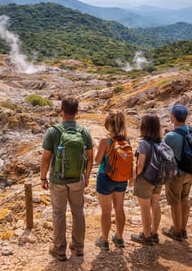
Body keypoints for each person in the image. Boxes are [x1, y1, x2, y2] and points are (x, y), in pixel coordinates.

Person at [40, 96, 93, 261]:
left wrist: (43, 177)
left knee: (58, 213)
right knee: (78, 212)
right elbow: (90, 157)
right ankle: (78, 248)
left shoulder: (53, 131)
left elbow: (46, 158)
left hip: (58, 180)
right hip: (78, 178)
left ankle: (59, 249)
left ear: (61, 111)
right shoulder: (84, 131)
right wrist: (87, 177)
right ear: (77, 112)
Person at [94, 111, 133, 251]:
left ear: (108, 124)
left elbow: (97, 160)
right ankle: (120, 238)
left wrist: (97, 147)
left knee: (106, 211)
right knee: (119, 208)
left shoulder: (105, 140)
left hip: (105, 177)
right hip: (121, 178)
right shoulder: (126, 140)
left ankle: (104, 241)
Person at [130, 114, 163, 245]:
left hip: (145, 179)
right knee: (155, 205)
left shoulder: (143, 143)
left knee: (144, 208)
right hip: (158, 178)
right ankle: (154, 233)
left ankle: (146, 236)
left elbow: (140, 165)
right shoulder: (161, 141)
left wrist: (133, 177)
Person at [162, 104, 192, 242]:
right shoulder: (190, 131)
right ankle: (184, 230)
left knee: (174, 202)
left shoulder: (171, 136)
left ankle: (176, 231)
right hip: (189, 172)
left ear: (173, 117)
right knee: (184, 200)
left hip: (176, 174)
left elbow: (160, 152)